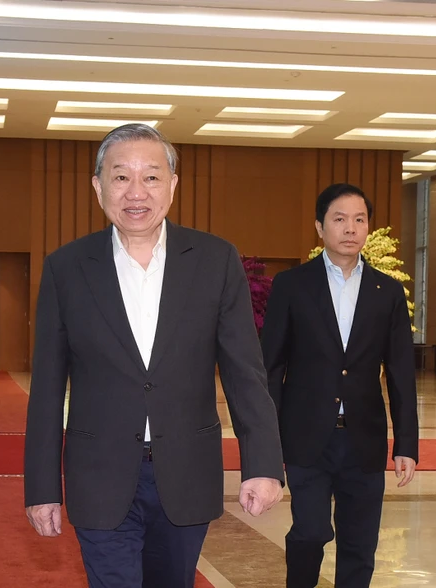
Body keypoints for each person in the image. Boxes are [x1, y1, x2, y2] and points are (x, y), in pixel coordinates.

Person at [23, 123, 284, 588]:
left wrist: (262, 464)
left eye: (151, 176)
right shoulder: (66, 268)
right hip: (98, 474)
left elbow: (246, 371)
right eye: (121, 177)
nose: (135, 192)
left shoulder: (215, 260)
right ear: (98, 187)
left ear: (173, 185)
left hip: (186, 470)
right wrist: (42, 488)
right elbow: (46, 387)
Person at [261, 183, 419, 588]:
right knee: (310, 531)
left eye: (359, 219)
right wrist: (266, 442)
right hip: (306, 436)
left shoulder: (387, 291)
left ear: (367, 227)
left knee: (360, 545)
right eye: (339, 219)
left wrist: (406, 444)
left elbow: (401, 372)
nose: (351, 228)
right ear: (319, 227)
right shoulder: (292, 285)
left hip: (363, 439)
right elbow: (271, 366)